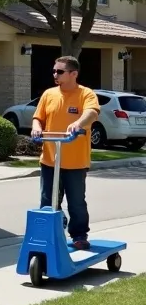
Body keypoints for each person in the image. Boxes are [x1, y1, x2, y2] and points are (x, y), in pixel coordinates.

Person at [30, 55, 100, 250]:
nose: (55, 74)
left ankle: (79, 235)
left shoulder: (86, 94)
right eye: (54, 71)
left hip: (75, 161)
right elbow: (38, 118)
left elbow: (92, 113)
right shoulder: (49, 94)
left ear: (73, 74)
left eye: (59, 71)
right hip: (50, 159)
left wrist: (78, 123)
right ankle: (54, 230)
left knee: (76, 202)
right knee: (48, 200)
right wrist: (36, 127)